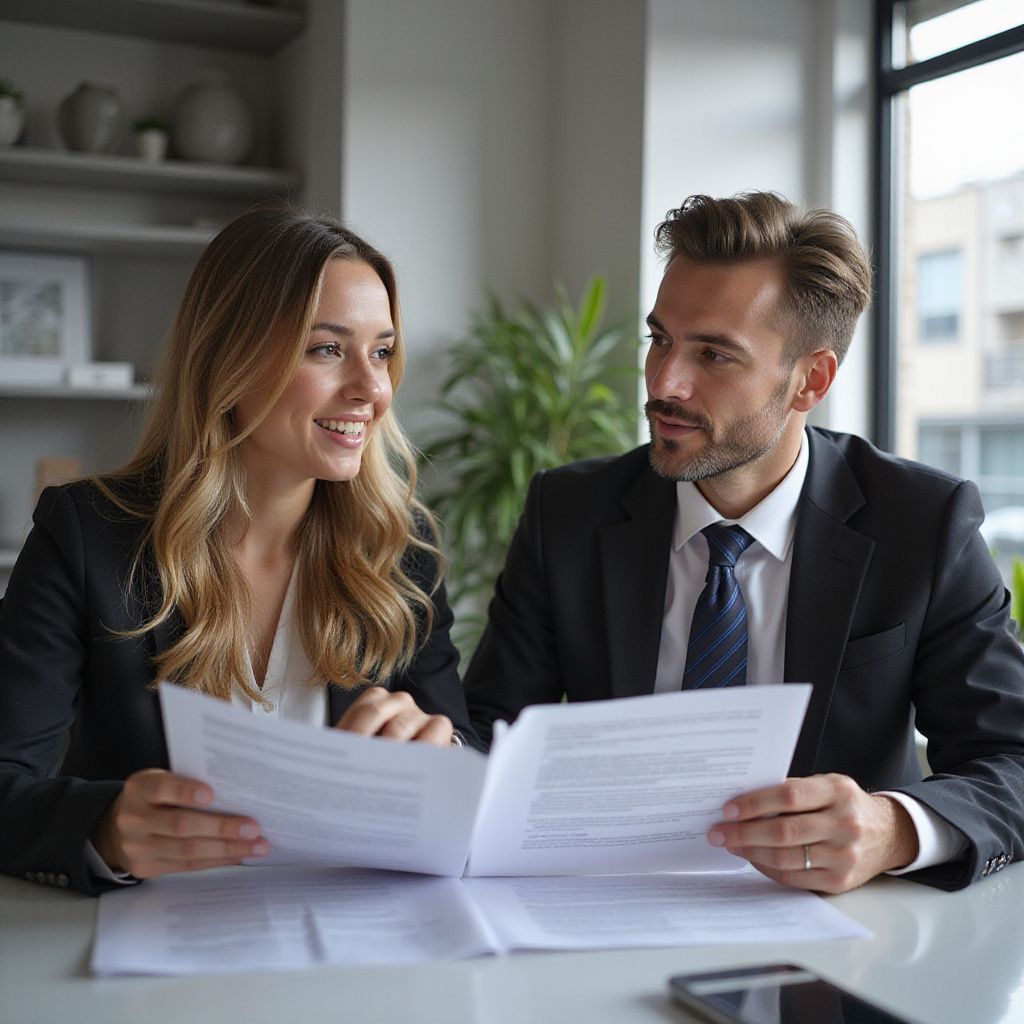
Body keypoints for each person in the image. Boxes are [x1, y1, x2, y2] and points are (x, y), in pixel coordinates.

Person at [463, 191, 1024, 894]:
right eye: (660, 338)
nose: (664, 383)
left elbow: (1012, 760)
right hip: (599, 905)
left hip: (846, 935)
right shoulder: (568, 513)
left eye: (715, 355)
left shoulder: (921, 523)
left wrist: (893, 828)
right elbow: (489, 733)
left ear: (809, 380)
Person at [0, 206, 477, 895]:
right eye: (326, 349)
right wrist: (103, 827)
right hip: (154, 955)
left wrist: (444, 755)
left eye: (380, 352)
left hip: (353, 940)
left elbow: (464, 749)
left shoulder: (400, 551)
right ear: (232, 354)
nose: (373, 390)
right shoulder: (86, 536)